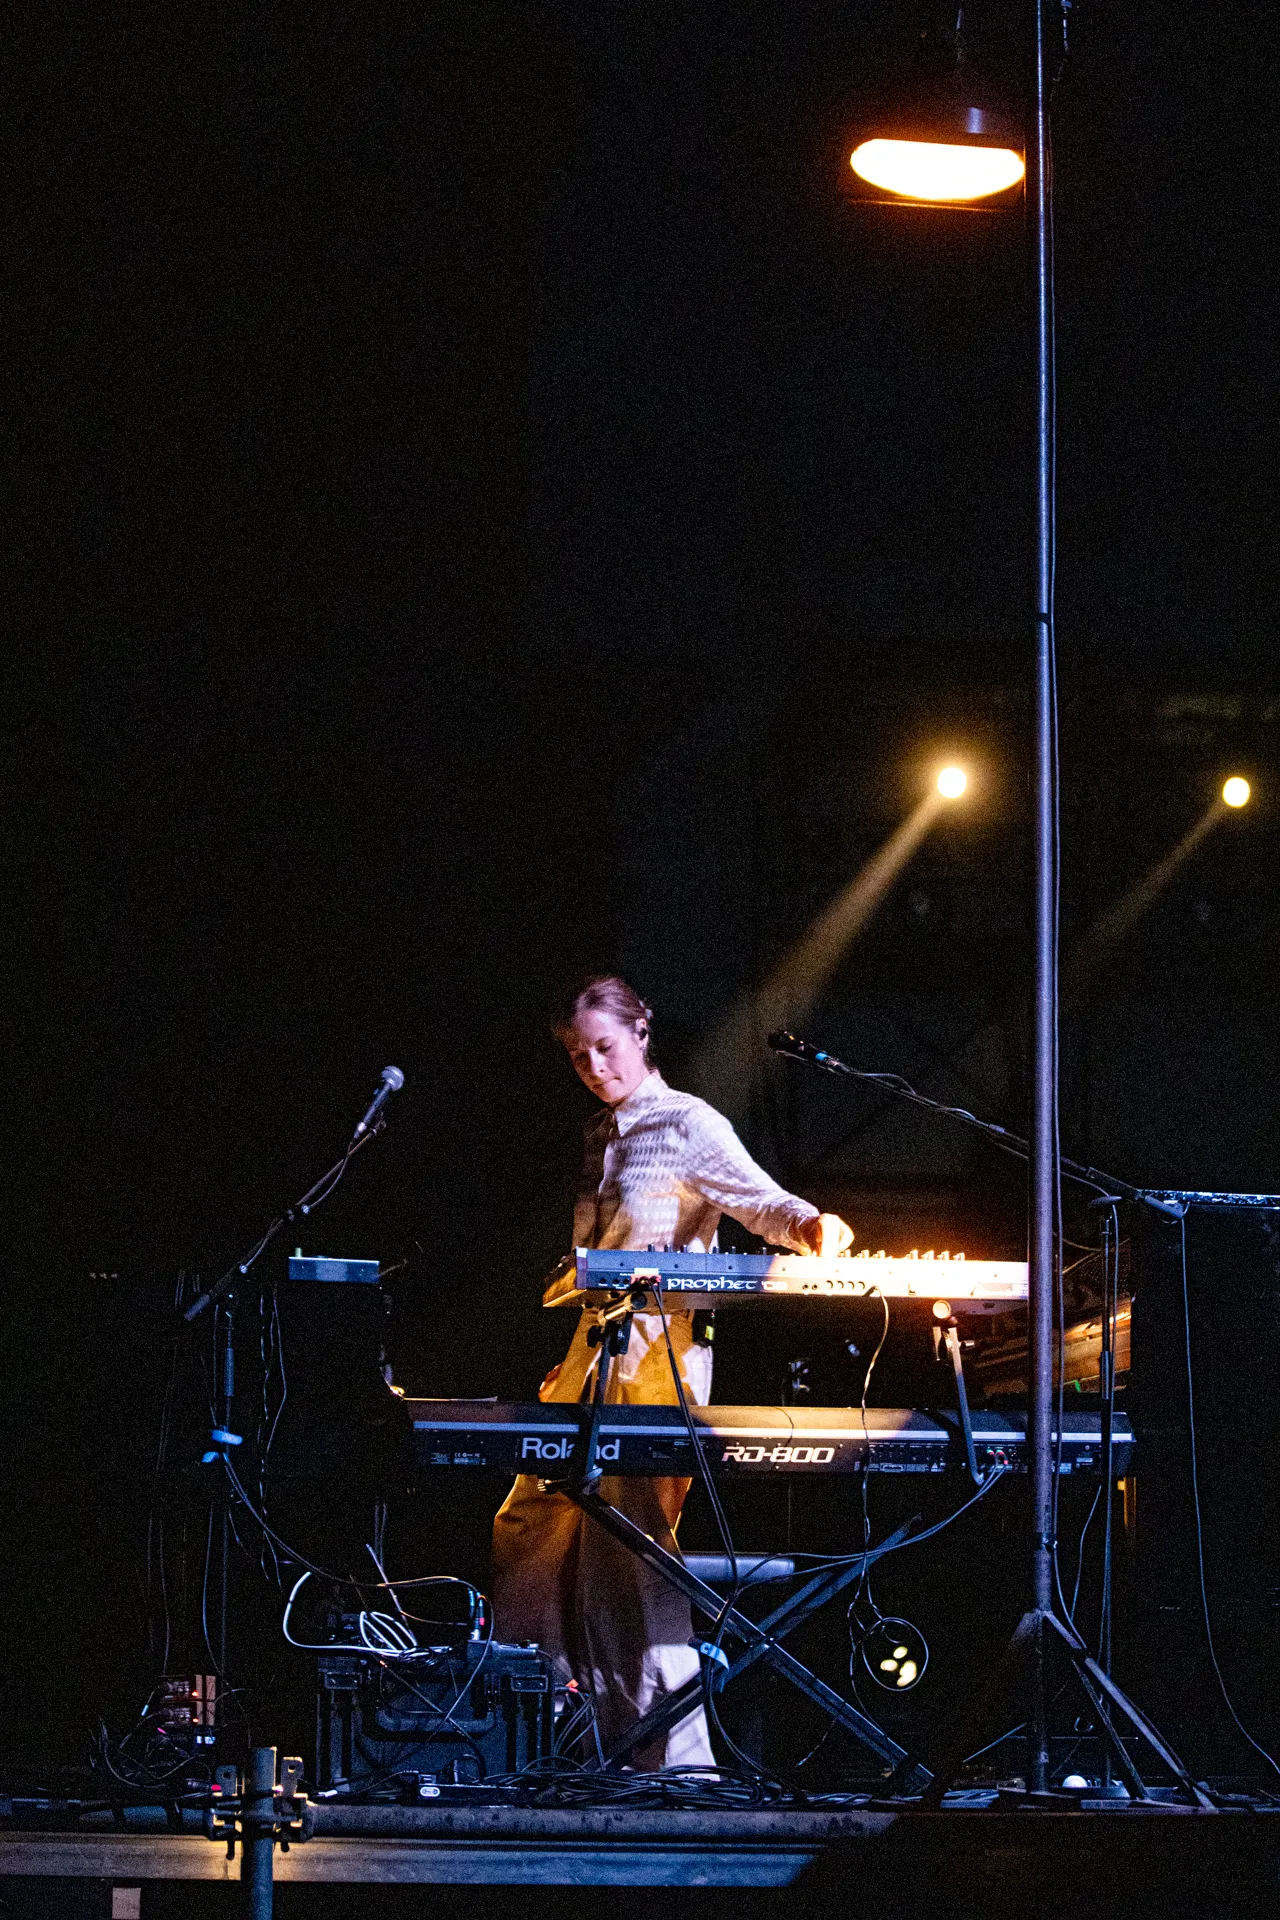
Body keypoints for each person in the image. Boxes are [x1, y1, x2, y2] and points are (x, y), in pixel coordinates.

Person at [490, 975, 854, 1769]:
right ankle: (532, 1725)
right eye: (580, 1056)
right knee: (529, 1525)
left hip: (659, 1354)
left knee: (632, 1548)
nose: (594, 1065)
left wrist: (815, 1227)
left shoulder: (689, 1123)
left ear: (641, 1034)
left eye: (605, 1048)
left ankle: (670, 1759)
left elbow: (764, 1203)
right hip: (597, 1348)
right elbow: (602, 1255)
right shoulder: (600, 1133)